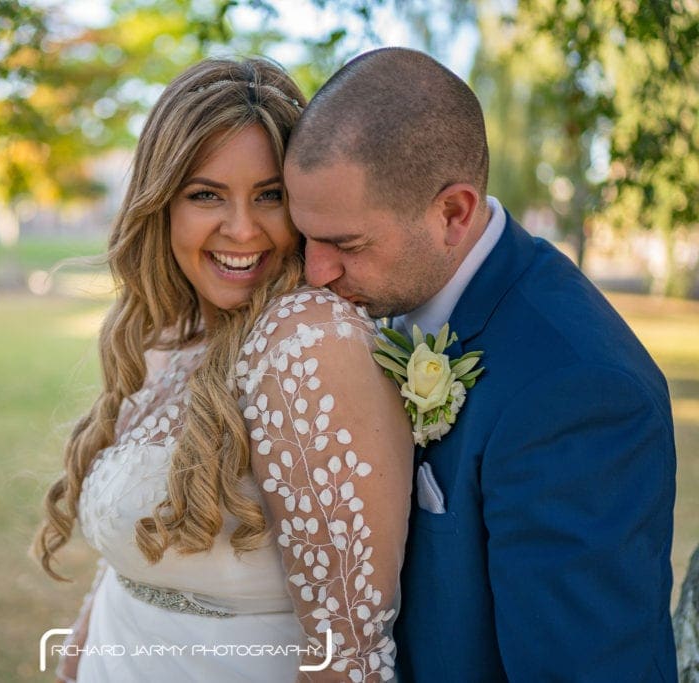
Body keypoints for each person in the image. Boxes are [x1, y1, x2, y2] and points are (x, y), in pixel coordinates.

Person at [284, 46, 677, 681]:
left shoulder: (580, 392)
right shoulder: (388, 293)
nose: (315, 272)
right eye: (307, 238)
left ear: (453, 213)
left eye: (346, 244)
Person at [33, 57, 413, 682]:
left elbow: (348, 657)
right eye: (206, 194)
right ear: (161, 207)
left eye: (269, 196)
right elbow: (128, 569)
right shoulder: (172, 334)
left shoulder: (309, 342)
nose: (242, 229)